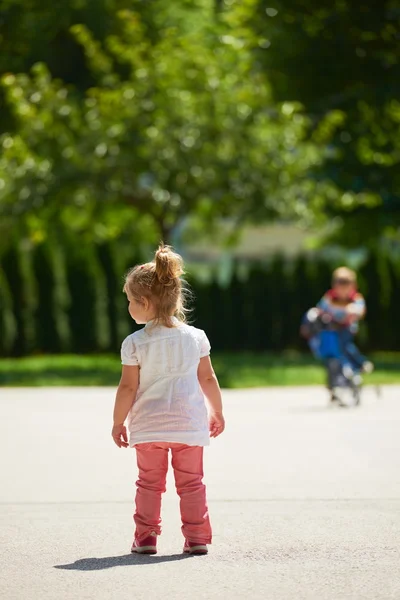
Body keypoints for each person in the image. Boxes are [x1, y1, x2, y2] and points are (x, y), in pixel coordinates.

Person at [111, 244, 225, 556]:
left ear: (144, 303)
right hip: (189, 426)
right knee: (192, 484)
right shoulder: (197, 337)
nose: (129, 307)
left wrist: (118, 422)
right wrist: (217, 411)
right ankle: (197, 537)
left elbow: (127, 388)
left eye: (131, 302)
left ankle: (146, 538)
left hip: (149, 428)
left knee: (149, 485)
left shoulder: (134, 343)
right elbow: (207, 378)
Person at [316, 266, 373, 374]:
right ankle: (337, 372)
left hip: (347, 326)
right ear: (334, 286)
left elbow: (360, 310)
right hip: (332, 326)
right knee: (330, 348)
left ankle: (360, 363)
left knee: (344, 345)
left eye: (345, 285)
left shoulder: (355, 298)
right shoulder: (330, 298)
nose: (342, 289)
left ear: (353, 286)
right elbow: (321, 308)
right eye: (339, 284)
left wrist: (353, 312)